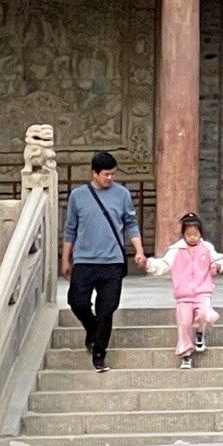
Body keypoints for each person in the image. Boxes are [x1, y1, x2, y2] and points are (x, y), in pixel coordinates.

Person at [59, 151, 144, 372]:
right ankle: (92, 328)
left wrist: (139, 251)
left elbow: (130, 224)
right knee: (77, 302)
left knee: (107, 309)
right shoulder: (78, 196)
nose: (110, 178)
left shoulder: (122, 194)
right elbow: (70, 229)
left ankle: (99, 353)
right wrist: (65, 258)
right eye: (106, 174)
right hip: (85, 261)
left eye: (113, 174)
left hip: (112, 261)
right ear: (95, 173)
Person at [148, 213, 223, 367]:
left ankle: (200, 332)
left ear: (200, 233)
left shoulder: (207, 248)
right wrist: (148, 264)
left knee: (205, 313)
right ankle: (186, 354)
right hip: (183, 295)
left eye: (195, 234)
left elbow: (218, 259)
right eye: (189, 234)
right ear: (183, 234)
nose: (192, 238)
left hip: (203, 291)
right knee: (184, 323)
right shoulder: (176, 250)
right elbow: (164, 265)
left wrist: (217, 266)